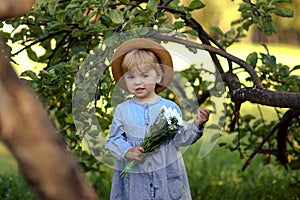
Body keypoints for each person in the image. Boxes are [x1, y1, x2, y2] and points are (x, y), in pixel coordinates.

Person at [105, 38, 210, 200]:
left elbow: (181, 137)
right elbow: (113, 139)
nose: (137, 81)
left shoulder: (169, 108)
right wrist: (127, 151)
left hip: (165, 177)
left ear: (159, 76)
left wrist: (196, 124)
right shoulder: (123, 110)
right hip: (135, 177)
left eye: (144, 75)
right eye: (130, 77)